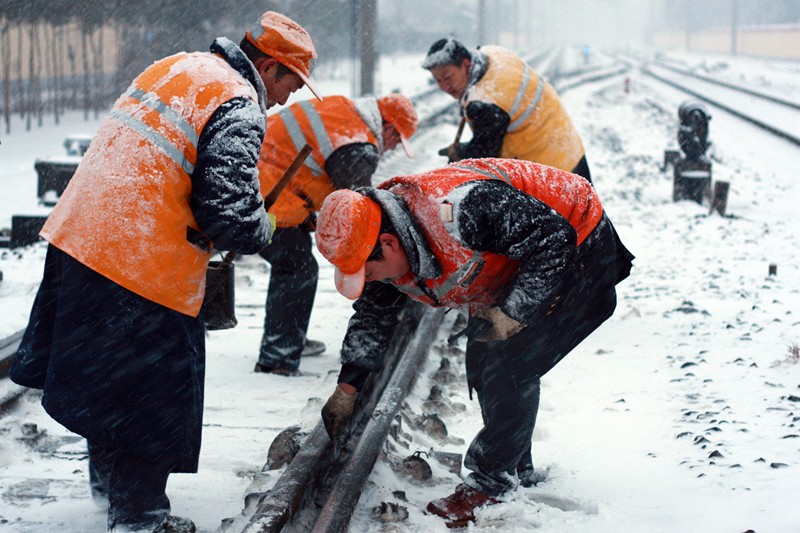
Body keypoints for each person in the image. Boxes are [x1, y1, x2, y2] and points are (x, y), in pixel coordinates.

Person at [10, 11, 319, 533]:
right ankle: (139, 516)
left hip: (78, 241)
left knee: (107, 382)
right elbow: (229, 212)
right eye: (289, 84)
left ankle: (109, 486)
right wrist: (263, 228)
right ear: (269, 67)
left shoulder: (176, 67)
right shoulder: (239, 103)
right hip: (142, 264)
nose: (287, 98)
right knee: (152, 394)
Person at [314, 158, 634, 528]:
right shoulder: (380, 234)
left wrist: (514, 311)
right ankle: (514, 465)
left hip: (578, 242)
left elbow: (553, 238)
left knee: (510, 364)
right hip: (524, 258)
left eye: (368, 271)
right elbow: (373, 318)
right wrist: (346, 390)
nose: (370, 281)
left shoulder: (460, 209)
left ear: (389, 244)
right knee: (482, 361)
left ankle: (492, 483)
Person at [253, 93, 418, 376]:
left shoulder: (342, 111)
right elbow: (359, 209)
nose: (391, 148)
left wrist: (306, 212)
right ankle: (277, 358)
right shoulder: (356, 146)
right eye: (395, 140)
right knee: (297, 268)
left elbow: (309, 162)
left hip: (260, 180)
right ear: (388, 126)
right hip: (265, 194)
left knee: (295, 264)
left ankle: (287, 337)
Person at [423, 37, 592, 182]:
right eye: (438, 80)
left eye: (447, 77)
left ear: (466, 64)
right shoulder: (493, 54)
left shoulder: (486, 102)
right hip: (567, 145)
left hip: (553, 169)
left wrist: (459, 151)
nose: (444, 87)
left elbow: (484, 154)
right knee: (587, 217)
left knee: (568, 219)